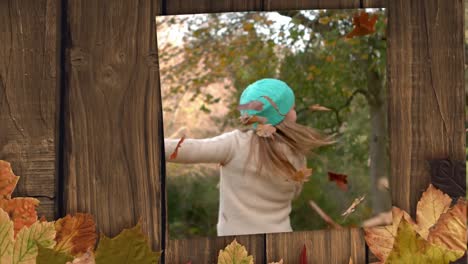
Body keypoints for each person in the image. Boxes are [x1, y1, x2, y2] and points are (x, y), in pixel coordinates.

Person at [164, 78, 334, 236]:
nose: (295, 113)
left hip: (236, 247)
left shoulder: (235, 144)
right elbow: (295, 192)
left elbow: (189, 149)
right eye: (292, 108)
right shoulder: (297, 154)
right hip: (281, 242)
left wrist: (145, 143)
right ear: (282, 116)